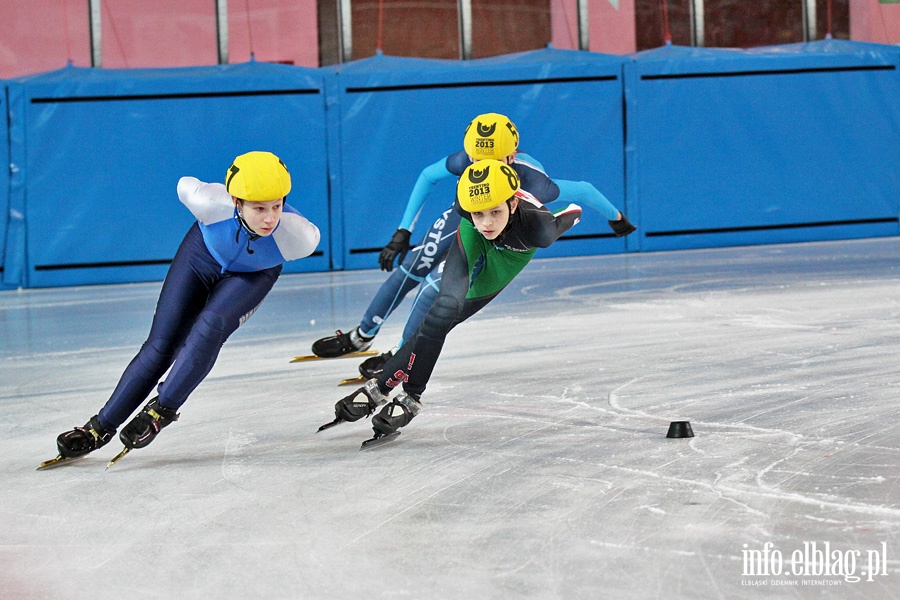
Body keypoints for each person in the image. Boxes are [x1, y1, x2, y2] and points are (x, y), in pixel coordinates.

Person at [312, 113, 635, 379]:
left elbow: (583, 191)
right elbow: (427, 175)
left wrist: (616, 217)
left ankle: (399, 354)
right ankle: (362, 335)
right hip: (466, 214)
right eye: (474, 161)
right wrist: (403, 229)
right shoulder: (468, 156)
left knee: (434, 287)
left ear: (511, 157)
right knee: (412, 267)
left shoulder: (532, 180)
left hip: (499, 229)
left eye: (490, 162)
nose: (478, 168)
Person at [50, 151, 320, 463]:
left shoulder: (300, 236)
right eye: (259, 208)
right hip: (200, 256)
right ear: (236, 201)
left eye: (277, 205)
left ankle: (161, 410)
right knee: (162, 345)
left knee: (211, 326)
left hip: (252, 276)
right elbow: (183, 184)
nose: (270, 218)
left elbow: (292, 230)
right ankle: (100, 427)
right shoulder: (208, 201)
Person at [328, 158, 623, 442]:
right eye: (478, 213)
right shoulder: (469, 211)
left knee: (449, 316)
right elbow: (474, 214)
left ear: (513, 203)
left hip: (509, 254)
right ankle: (382, 388)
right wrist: (479, 216)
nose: (487, 223)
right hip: (471, 238)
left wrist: (579, 213)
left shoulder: (539, 228)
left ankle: (410, 397)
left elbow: (569, 212)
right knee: (442, 310)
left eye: (494, 212)